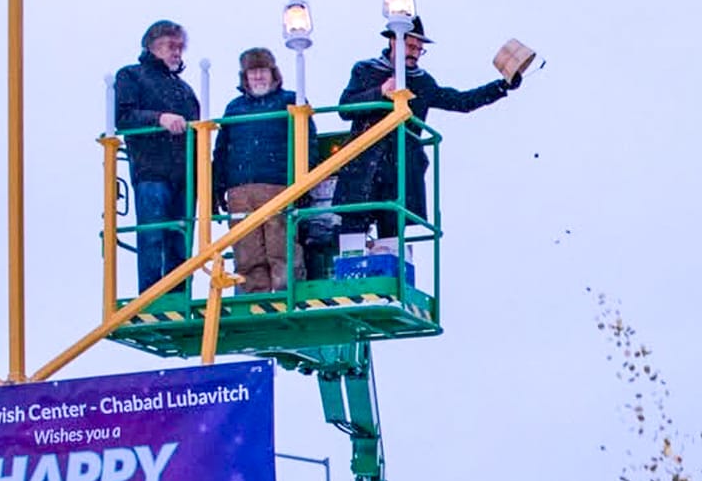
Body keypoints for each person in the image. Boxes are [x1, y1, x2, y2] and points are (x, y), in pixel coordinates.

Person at [333, 17, 518, 250]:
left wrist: (500, 87)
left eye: (420, 49)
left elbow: (461, 101)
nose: (416, 53)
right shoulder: (366, 70)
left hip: (399, 170)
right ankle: (352, 275)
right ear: (393, 41)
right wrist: (380, 92)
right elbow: (345, 107)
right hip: (363, 165)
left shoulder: (423, 82)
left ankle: (390, 279)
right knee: (352, 230)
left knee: (391, 235)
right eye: (411, 47)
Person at [213, 47, 315, 294]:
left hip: (279, 185)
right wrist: (217, 187)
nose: (258, 77)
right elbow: (221, 150)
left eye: (262, 71)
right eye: (252, 72)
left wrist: (305, 181)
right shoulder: (234, 108)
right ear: (244, 77)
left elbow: (308, 142)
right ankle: (253, 298)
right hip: (239, 189)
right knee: (247, 251)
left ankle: (286, 295)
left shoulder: (291, 101)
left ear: (273, 73)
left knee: (280, 247)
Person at [113, 20, 201, 296]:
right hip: (151, 169)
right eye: (169, 46)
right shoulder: (132, 76)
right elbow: (123, 117)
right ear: (152, 46)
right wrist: (158, 119)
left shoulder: (185, 90)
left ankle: (178, 295)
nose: (176, 52)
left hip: (184, 172)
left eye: (179, 47)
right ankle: (151, 295)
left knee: (181, 238)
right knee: (153, 235)